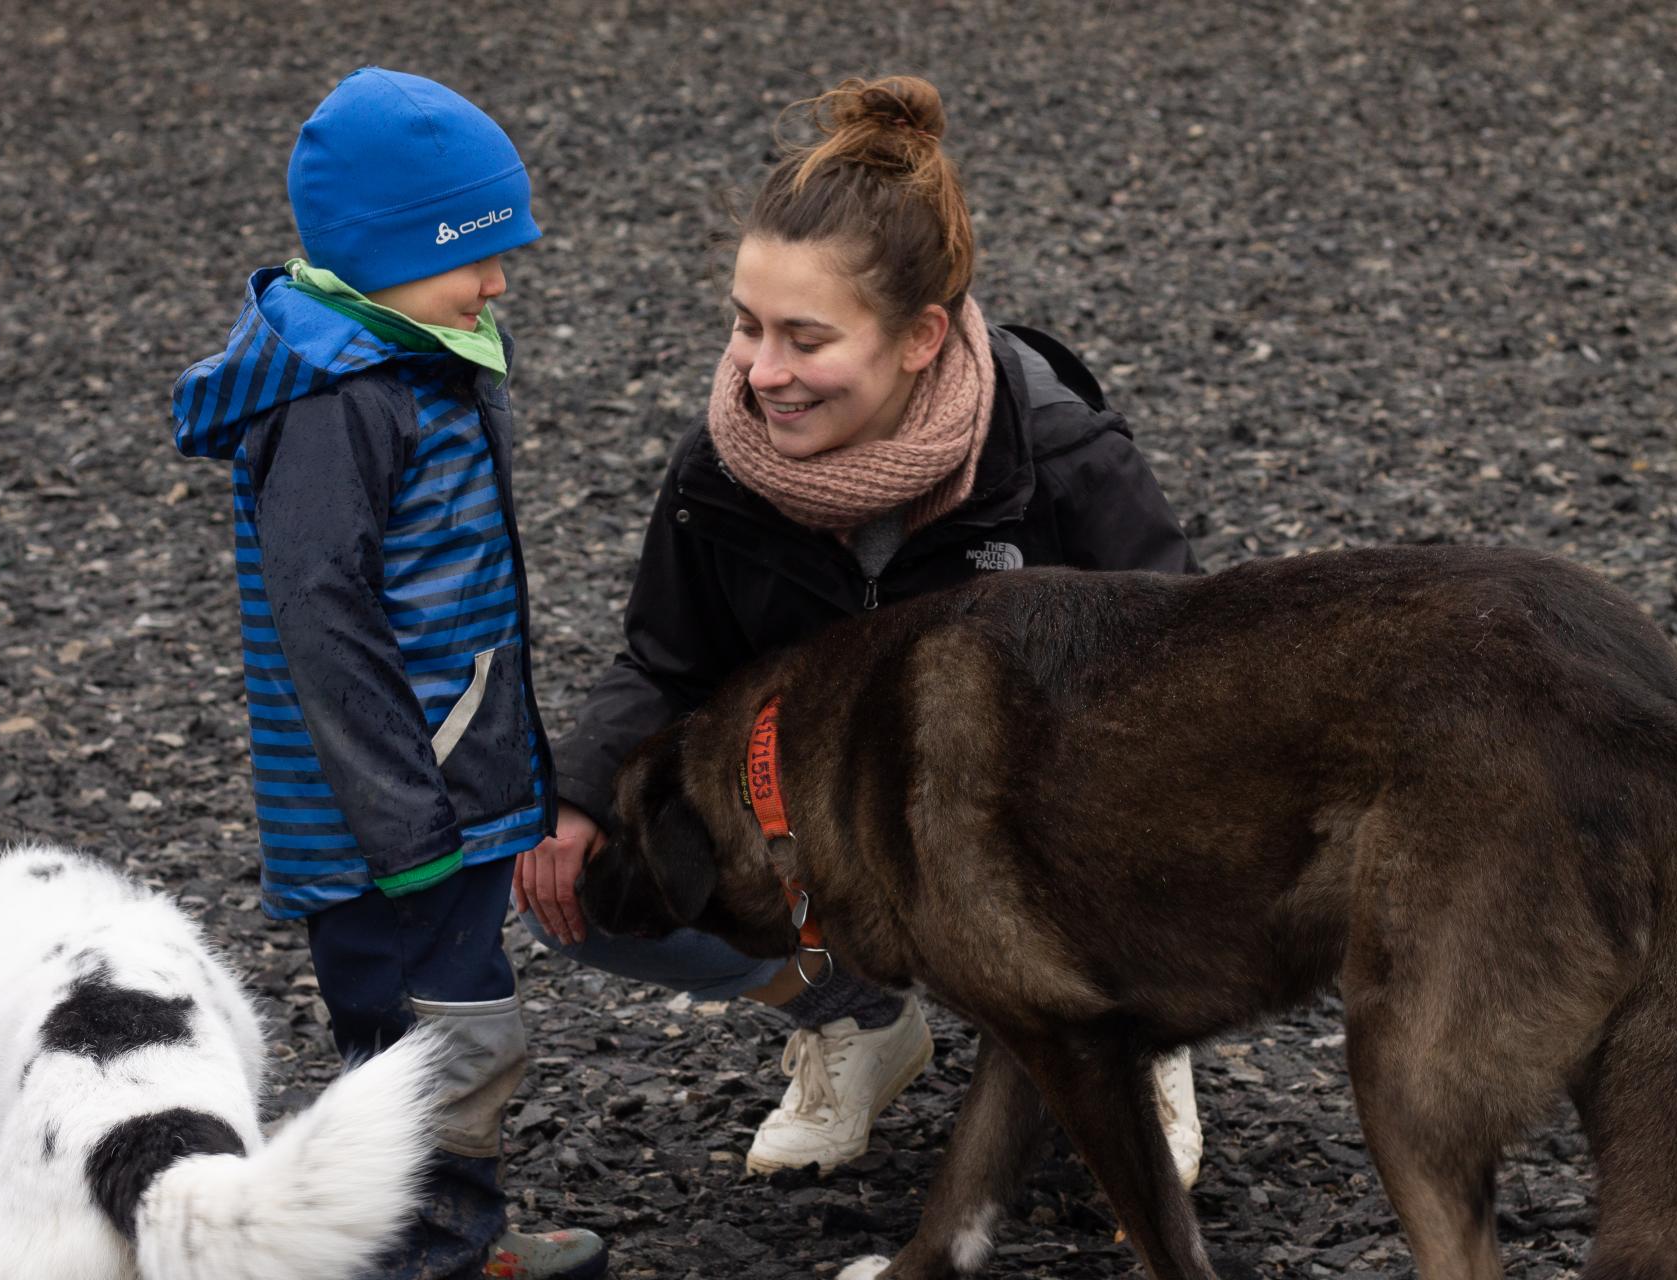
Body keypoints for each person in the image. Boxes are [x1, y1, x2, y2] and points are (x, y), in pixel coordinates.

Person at [515, 74, 1207, 1186]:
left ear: (922, 337)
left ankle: (1133, 1038)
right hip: (855, 830)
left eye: (804, 337)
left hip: (1043, 831)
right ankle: (858, 1016)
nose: (762, 372)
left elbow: (1188, 681)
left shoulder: (1055, 456)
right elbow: (666, 657)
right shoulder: (719, 470)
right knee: (584, 885)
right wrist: (579, 796)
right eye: (746, 326)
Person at [171, 67, 607, 1280]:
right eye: (478, 253)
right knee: (430, 1034)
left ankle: (445, 1234)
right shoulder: (340, 398)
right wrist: (409, 826)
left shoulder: (411, 355)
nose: (501, 280)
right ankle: (429, 1254)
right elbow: (326, 620)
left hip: (441, 786)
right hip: (394, 815)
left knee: (439, 1024)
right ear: (379, 255)